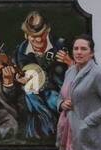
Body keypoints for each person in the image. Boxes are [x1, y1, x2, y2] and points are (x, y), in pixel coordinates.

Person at [15, 11, 71, 139]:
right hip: (35, 94)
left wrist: (70, 62)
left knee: (53, 99)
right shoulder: (21, 51)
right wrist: (19, 79)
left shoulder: (61, 45)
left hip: (60, 92)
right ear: (26, 35)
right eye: (33, 36)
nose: (39, 39)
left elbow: (81, 71)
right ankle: (49, 124)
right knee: (29, 92)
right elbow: (20, 75)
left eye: (42, 34)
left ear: (48, 30)